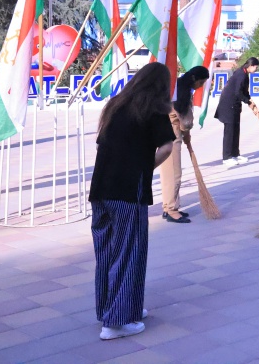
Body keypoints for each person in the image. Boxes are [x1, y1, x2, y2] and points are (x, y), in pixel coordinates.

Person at [89, 63, 176, 341]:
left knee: (107, 252)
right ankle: (116, 322)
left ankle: (116, 308)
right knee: (129, 253)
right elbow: (167, 146)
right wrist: (144, 167)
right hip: (128, 191)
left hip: (101, 188)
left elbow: (102, 141)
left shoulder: (116, 104)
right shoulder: (155, 108)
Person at [160, 66, 210, 224]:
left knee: (168, 174)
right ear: (194, 78)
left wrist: (185, 132)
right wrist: (186, 130)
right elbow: (185, 121)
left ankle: (168, 206)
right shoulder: (182, 92)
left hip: (167, 133)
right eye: (201, 82)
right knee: (175, 174)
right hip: (172, 136)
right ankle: (171, 210)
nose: (200, 86)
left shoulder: (177, 86)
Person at [215, 57, 259, 167]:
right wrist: (247, 101)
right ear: (251, 65)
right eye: (256, 67)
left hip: (235, 105)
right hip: (228, 105)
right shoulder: (240, 74)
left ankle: (235, 154)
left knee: (236, 129)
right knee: (229, 131)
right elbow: (237, 92)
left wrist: (250, 101)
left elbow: (244, 91)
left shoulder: (245, 74)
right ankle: (227, 157)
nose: (256, 69)